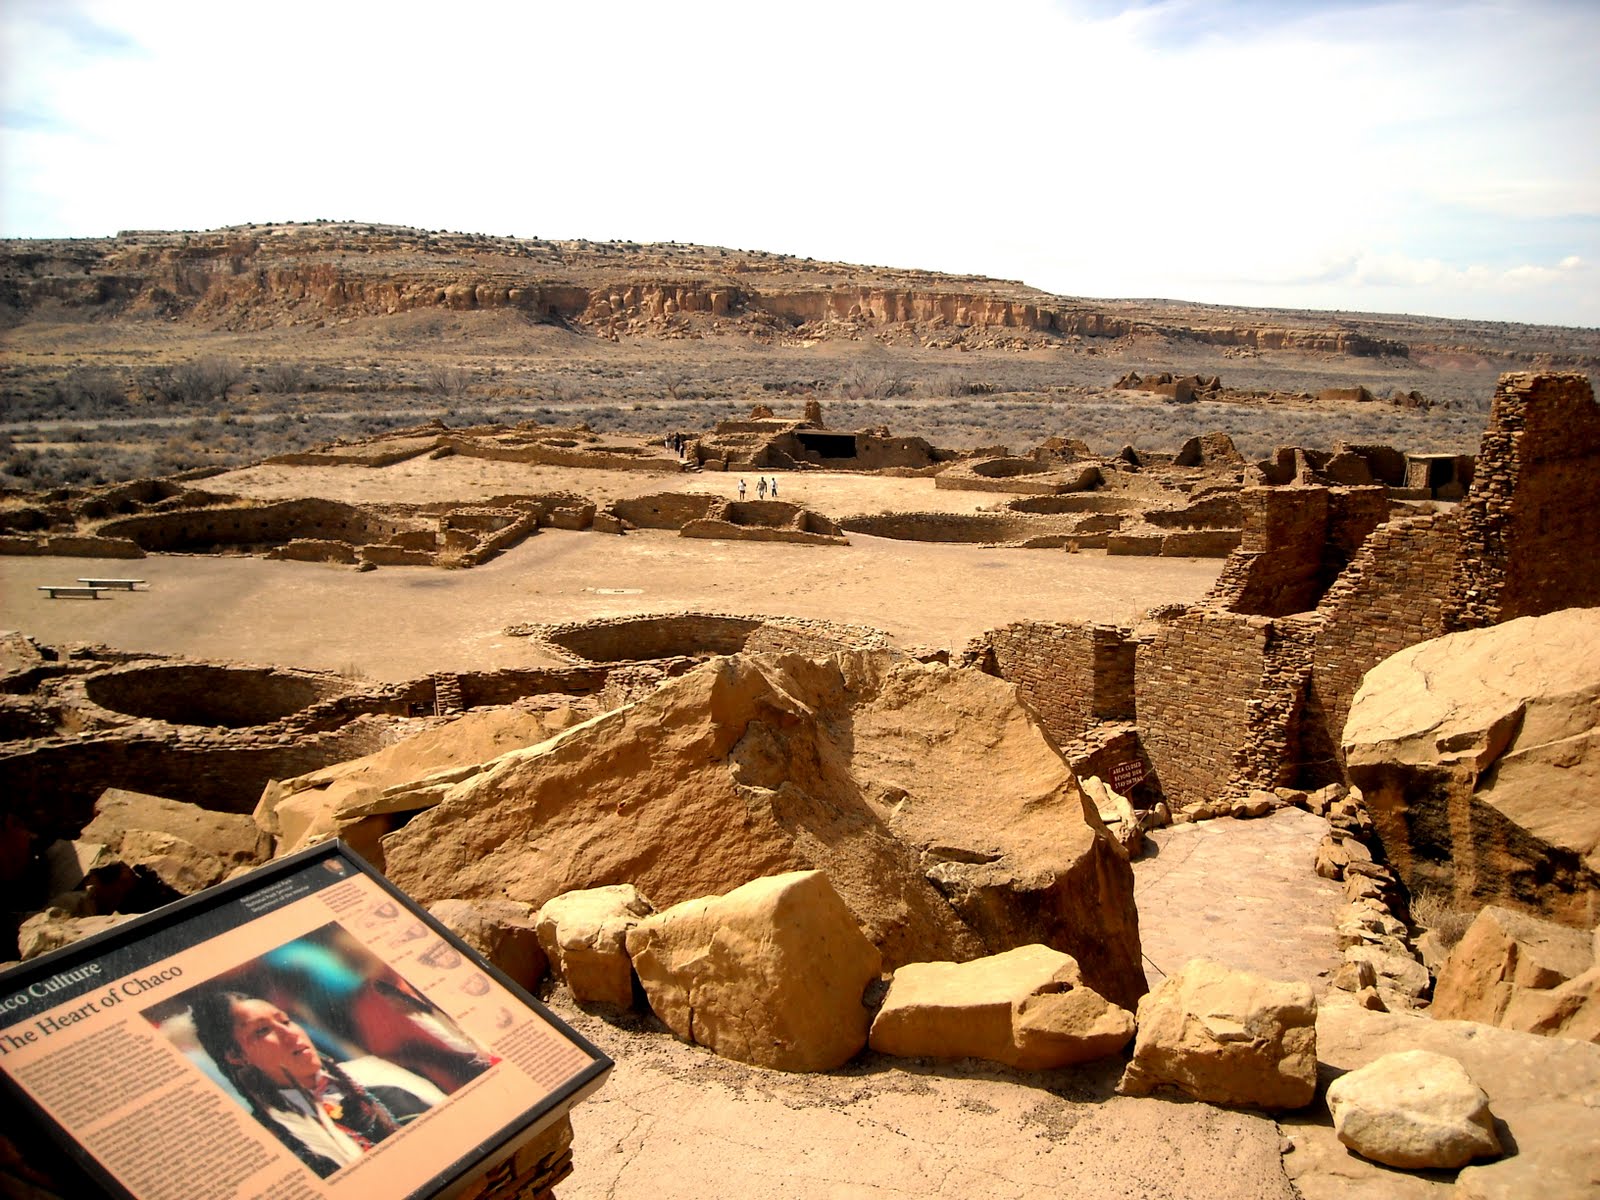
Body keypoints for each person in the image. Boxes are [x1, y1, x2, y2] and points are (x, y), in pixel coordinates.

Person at [190, 990, 447, 1179]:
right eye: (262, 1031)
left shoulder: (372, 1071)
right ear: (236, 1056)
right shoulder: (271, 1141)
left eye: (285, 1020)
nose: (290, 1033)